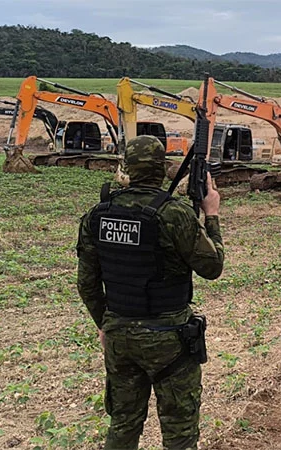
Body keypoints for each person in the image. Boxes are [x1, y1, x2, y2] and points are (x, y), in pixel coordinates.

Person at [76, 135, 224, 450]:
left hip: (119, 336)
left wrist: (105, 323)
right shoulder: (174, 213)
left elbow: (87, 282)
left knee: (123, 423)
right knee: (179, 432)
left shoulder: (97, 215)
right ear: (161, 171)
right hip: (169, 337)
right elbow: (212, 267)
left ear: (126, 168)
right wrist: (211, 215)